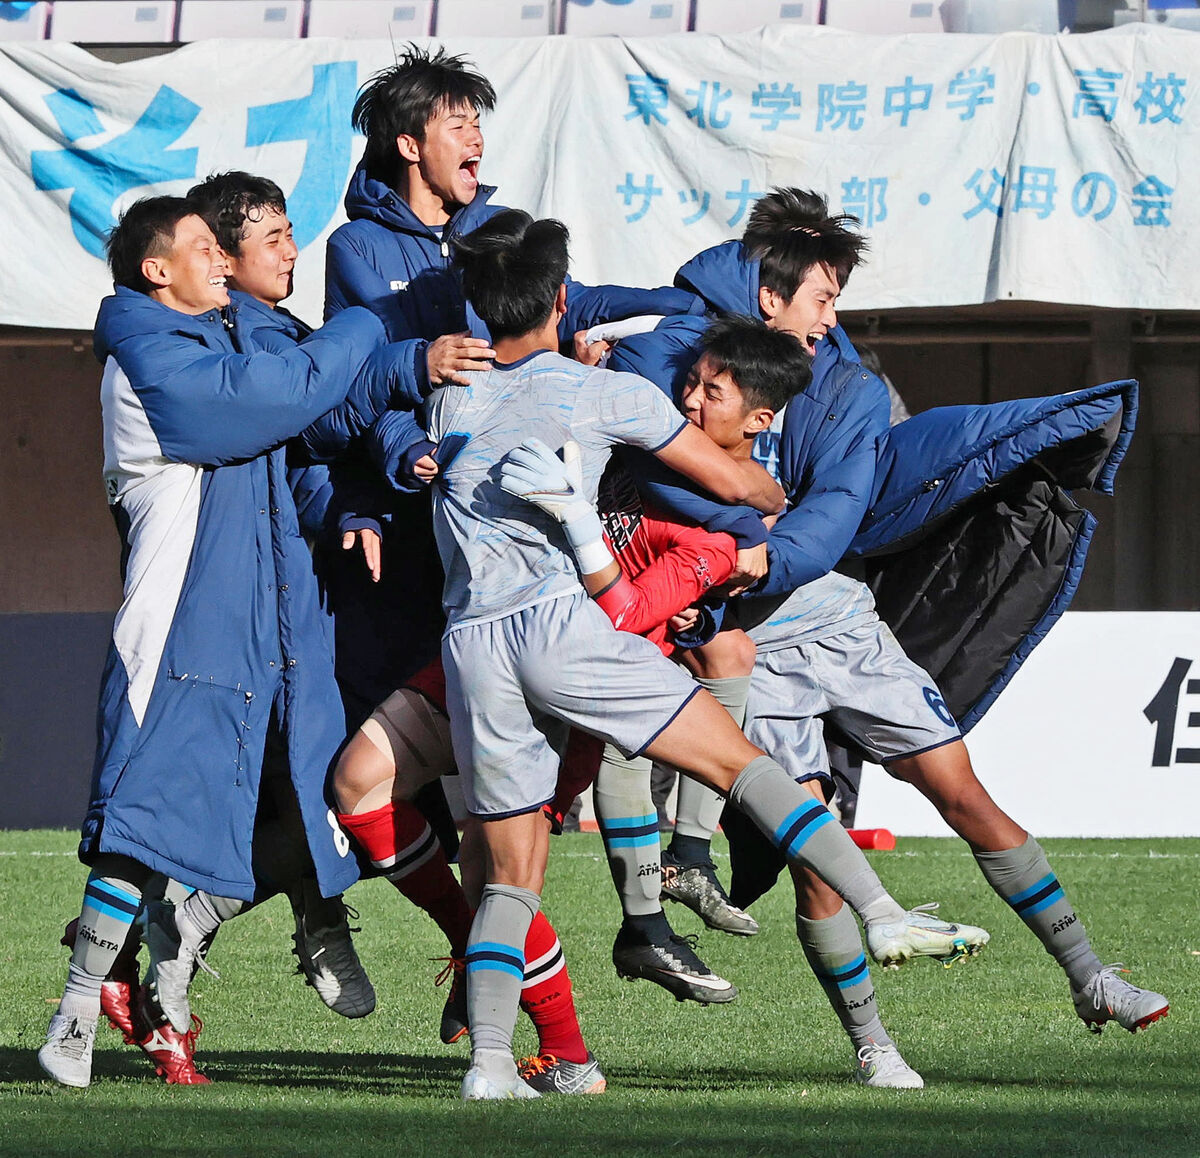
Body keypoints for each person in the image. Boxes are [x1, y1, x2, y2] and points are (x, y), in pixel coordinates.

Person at [427, 209, 986, 1100]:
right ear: (563, 299)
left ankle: (491, 1064)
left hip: (470, 644)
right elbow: (736, 482)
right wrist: (761, 502)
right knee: (743, 762)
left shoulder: (451, 392)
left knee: (511, 874)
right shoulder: (607, 392)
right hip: (559, 620)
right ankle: (878, 912)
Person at [615, 190, 1169, 1053]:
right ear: (772, 297)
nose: (834, 315)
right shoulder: (675, 355)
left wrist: (764, 551)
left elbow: (835, 510)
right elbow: (644, 459)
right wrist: (734, 531)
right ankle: (876, 1050)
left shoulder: (849, 391)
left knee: (963, 793)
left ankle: (1092, 976)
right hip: (745, 643)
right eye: (824, 297)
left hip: (835, 620)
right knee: (816, 875)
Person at [38, 195, 432, 1088]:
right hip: (179, 633)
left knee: (311, 804)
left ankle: (220, 962)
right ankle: (74, 1016)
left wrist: (398, 386)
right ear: (157, 270)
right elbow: (283, 394)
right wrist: (369, 322)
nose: (223, 263)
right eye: (207, 249)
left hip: (260, 637)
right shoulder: (149, 356)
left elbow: (305, 436)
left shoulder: (221, 340)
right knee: (141, 825)